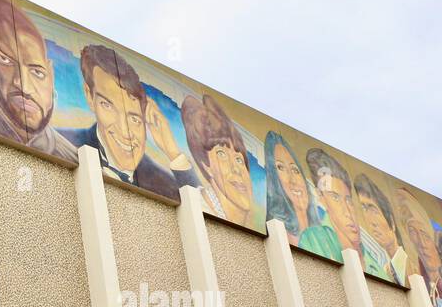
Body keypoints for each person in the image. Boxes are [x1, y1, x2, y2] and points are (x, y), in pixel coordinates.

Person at [60, 43, 197, 199]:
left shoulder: (164, 182)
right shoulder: (61, 145)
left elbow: (197, 212)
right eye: (107, 105)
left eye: (134, 118)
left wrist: (173, 153)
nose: (125, 132)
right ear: (89, 96)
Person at [0, 0, 77, 162]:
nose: (25, 87)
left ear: (50, 73)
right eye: (4, 59)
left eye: (37, 72)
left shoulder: (75, 158)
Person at [296, 149, 398, 281]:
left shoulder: (376, 260)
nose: (347, 212)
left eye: (349, 200)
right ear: (320, 196)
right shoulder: (314, 240)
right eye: (335, 198)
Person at [179, 93, 254, 225]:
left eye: (238, 159)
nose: (236, 168)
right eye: (221, 154)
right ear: (206, 166)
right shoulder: (197, 207)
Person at [263, 131, 320, 245]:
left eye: (295, 170)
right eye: (280, 168)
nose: (293, 180)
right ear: (273, 179)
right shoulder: (280, 234)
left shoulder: (322, 235)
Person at [354, 172, 407, 283]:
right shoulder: (382, 269)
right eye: (364, 208)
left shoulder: (409, 267)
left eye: (374, 210)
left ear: (391, 222)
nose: (371, 222)